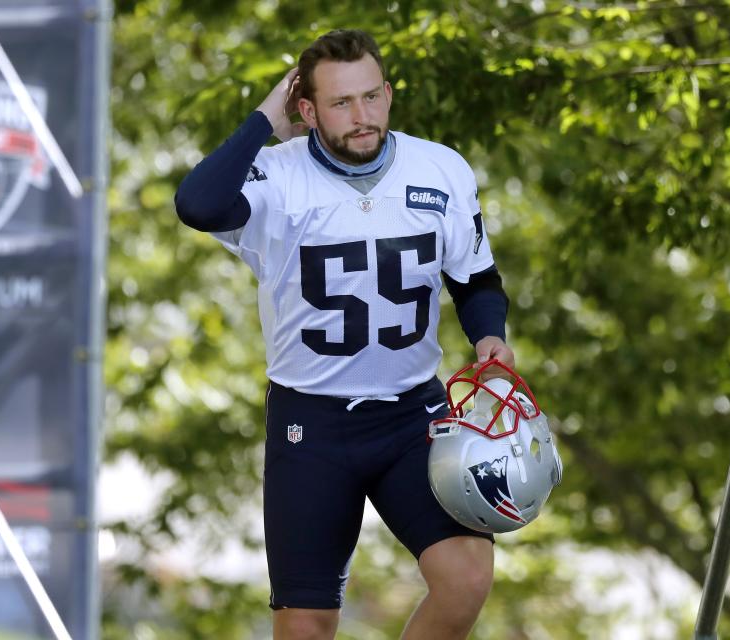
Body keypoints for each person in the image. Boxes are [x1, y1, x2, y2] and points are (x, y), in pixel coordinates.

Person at [174, 29, 514, 640]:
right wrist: (263, 120)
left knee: (466, 577)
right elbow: (197, 204)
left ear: (387, 93)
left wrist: (490, 338)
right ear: (305, 110)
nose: (362, 117)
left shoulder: (440, 167)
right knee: (306, 626)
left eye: (371, 97)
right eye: (339, 103)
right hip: (313, 424)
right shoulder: (275, 176)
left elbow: (477, 279)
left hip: (415, 415)